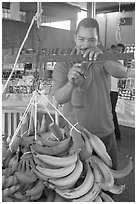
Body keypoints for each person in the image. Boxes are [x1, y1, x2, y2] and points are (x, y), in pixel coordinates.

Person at [53, 18, 127, 170]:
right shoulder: (63, 63)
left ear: (98, 41)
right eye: (81, 39)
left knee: (108, 183)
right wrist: (71, 84)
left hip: (104, 133)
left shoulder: (103, 56)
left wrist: (103, 59)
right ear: (75, 38)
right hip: (74, 136)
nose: (86, 44)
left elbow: (122, 72)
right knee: (77, 187)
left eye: (91, 40)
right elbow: (60, 98)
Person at [110, 43, 126, 140]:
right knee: (109, 111)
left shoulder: (119, 61)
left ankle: (117, 133)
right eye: (116, 49)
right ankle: (112, 131)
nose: (117, 51)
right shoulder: (114, 59)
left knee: (111, 111)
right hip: (108, 89)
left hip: (113, 90)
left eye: (119, 50)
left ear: (122, 52)